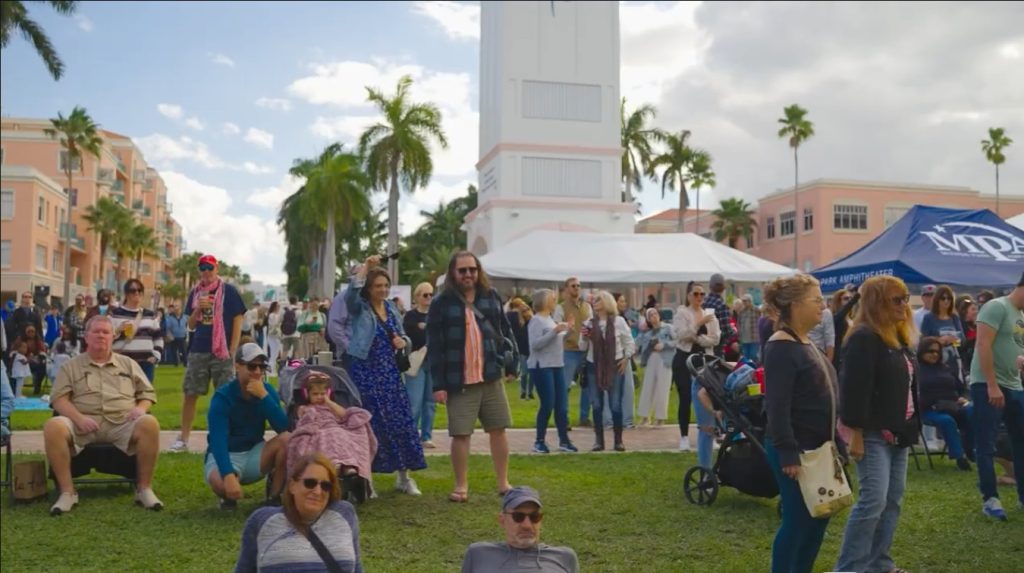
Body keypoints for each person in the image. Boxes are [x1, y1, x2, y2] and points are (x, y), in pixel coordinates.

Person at [835, 276, 919, 573]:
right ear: (876, 303)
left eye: (906, 298)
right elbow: (854, 391)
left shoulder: (897, 336)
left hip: (899, 431)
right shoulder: (864, 337)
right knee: (872, 503)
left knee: (892, 501)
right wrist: (855, 433)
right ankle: (848, 569)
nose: (904, 305)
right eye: (897, 299)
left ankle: (878, 563)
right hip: (871, 433)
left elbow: (908, 386)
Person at [43, 315, 163, 515]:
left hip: (122, 423)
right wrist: (78, 419)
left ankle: (144, 489)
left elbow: (148, 394)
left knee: (150, 423)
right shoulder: (71, 366)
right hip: (83, 424)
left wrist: (141, 408)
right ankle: (67, 493)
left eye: (106, 332)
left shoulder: (128, 364)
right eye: (96, 331)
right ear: (86, 337)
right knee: (53, 426)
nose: (101, 335)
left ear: (113, 337)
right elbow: (59, 400)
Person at [762, 274, 841, 573]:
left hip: (818, 447)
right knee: (798, 520)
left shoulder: (806, 342)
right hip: (796, 451)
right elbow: (777, 407)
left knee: (820, 516)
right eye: (816, 300)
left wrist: (837, 443)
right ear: (794, 305)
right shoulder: (781, 346)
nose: (823, 305)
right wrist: (787, 453)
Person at [428, 251, 515, 502]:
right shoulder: (441, 303)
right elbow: (435, 347)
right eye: (462, 270)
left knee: (499, 429)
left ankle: (503, 483)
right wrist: (439, 385)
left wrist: (509, 364)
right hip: (459, 380)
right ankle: (461, 486)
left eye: (472, 269)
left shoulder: (491, 296)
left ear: (479, 271)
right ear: (453, 273)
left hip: (490, 376)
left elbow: (504, 332)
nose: (468, 274)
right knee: (460, 434)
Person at [345, 255, 427, 495]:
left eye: (385, 285)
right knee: (371, 424)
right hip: (365, 370)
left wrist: (405, 341)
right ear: (369, 288)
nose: (382, 289)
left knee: (400, 421)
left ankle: (403, 477)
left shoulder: (391, 307)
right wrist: (366, 269)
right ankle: (366, 480)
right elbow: (351, 295)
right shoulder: (360, 307)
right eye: (377, 285)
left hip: (390, 371)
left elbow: (403, 335)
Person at [235, 453, 363, 573]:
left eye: (325, 486)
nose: (318, 492)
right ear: (292, 485)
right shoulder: (262, 520)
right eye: (310, 483)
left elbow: (357, 568)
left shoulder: (344, 514)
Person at [170, 254, 246, 453]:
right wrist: (197, 310)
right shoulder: (196, 293)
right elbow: (191, 324)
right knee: (190, 393)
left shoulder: (228, 291)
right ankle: (183, 438)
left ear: (216, 268)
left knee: (226, 395)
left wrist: (233, 348)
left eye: (209, 268)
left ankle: (225, 437)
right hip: (199, 349)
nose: (206, 272)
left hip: (221, 350)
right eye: (202, 268)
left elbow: (238, 319)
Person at [205, 343, 290, 509]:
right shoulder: (222, 397)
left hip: (254, 452)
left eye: (262, 367)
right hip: (227, 453)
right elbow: (218, 440)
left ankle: (274, 496)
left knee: (287, 440)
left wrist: (264, 398)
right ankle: (228, 496)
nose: (257, 372)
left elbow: (283, 428)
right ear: (237, 366)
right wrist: (228, 474)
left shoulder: (266, 391)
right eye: (251, 366)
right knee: (221, 484)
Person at [968, 272, 1024, 521]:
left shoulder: (1020, 316)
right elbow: (982, 345)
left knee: (1020, 442)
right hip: (988, 385)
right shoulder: (996, 307)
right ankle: (990, 498)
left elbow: (1014, 347)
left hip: (1014, 385)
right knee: (986, 444)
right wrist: (991, 384)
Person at [461, 486, 579, 573]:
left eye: (534, 517)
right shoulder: (478, 553)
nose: (527, 525)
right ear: (502, 520)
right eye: (518, 517)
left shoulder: (564, 556)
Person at [287, 373, 377, 484]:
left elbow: (344, 414)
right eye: (315, 394)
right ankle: (335, 464)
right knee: (325, 437)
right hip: (317, 430)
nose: (320, 397)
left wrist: (329, 402)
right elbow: (302, 420)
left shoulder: (330, 406)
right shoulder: (304, 407)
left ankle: (348, 465)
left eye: (323, 394)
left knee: (341, 435)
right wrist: (310, 415)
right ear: (306, 394)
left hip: (335, 427)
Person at [578, 291, 635, 452]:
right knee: (596, 405)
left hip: (615, 365)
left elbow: (629, 342)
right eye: (594, 300)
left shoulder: (619, 321)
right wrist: (583, 337)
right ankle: (599, 441)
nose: (594, 302)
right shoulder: (589, 322)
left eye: (598, 300)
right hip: (593, 365)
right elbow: (582, 347)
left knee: (615, 404)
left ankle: (618, 441)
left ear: (607, 302)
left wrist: (626, 358)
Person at [672, 282, 721, 455]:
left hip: (704, 360)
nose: (699, 297)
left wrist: (699, 339)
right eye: (696, 294)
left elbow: (715, 339)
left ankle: (711, 434)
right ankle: (684, 437)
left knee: (708, 397)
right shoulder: (682, 313)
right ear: (688, 295)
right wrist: (698, 324)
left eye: (702, 294)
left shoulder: (710, 314)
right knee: (685, 398)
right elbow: (681, 335)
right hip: (684, 360)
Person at [527, 289, 576, 454]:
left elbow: (557, 340)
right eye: (552, 299)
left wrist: (567, 330)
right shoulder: (536, 321)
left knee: (561, 405)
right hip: (542, 366)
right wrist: (555, 331)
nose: (555, 301)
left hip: (557, 365)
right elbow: (535, 345)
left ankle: (564, 440)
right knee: (547, 404)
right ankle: (539, 441)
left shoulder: (550, 319)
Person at [917, 336, 973, 471]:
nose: (934, 354)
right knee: (947, 421)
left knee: (971, 411)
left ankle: (971, 450)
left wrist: (963, 398)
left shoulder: (946, 368)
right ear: (922, 351)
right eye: (930, 351)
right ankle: (960, 458)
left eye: (937, 351)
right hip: (929, 409)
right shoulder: (916, 370)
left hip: (952, 406)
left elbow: (962, 389)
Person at [554, 277, 593, 427]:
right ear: (566, 289)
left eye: (578, 286)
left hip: (585, 351)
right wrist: (566, 329)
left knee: (587, 385)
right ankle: (563, 418)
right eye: (573, 286)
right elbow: (557, 328)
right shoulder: (561, 308)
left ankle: (584, 417)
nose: (576, 288)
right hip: (568, 351)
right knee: (565, 386)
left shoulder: (587, 307)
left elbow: (590, 325)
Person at [110, 279, 164, 382]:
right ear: (126, 294)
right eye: (133, 290)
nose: (137, 293)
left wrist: (156, 356)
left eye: (139, 290)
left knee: (145, 396)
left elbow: (158, 338)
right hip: (122, 362)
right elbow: (106, 338)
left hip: (145, 364)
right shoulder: (115, 314)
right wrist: (118, 330)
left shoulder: (149, 315)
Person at [403, 282, 436, 448]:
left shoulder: (437, 315)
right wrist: (422, 330)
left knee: (430, 401)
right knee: (414, 401)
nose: (429, 298)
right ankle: (411, 434)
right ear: (417, 297)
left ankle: (427, 436)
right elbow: (409, 337)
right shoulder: (410, 316)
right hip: (416, 361)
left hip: (434, 361)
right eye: (425, 295)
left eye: (431, 294)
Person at [636, 307, 675, 427]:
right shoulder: (647, 332)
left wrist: (664, 345)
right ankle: (645, 416)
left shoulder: (668, 328)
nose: (653, 316)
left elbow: (678, 341)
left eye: (655, 313)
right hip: (651, 359)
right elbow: (637, 343)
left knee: (662, 389)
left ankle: (660, 418)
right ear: (647, 319)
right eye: (650, 315)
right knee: (647, 387)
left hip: (665, 359)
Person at [920, 285, 966, 371]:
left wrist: (954, 341)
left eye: (949, 298)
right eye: (943, 298)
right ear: (937, 300)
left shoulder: (954, 318)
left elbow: (962, 340)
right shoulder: (929, 318)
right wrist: (938, 340)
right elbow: (923, 341)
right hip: (935, 362)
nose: (946, 301)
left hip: (954, 361)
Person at [611, 292, 636, 428]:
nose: (624, 304)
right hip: (610, 360)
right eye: (621, 301)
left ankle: (628, 420)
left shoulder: (622, 319)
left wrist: (627, 356)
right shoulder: (612, 319)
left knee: (627, 389)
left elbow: (628, 340)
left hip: (623, 359)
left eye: (624, 301)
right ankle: (609, 420)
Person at [507, 298, 534, 400]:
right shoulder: (521, 322)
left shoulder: (532, 322)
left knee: (531, 373)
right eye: (523, 311)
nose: (525, 312)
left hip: (531, 349)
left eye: (526, 310)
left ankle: (530, 392)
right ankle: (523, 392)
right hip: (523, 349)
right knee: (525, 372)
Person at [704, 273, 736, 354]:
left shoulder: (703, 301)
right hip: (717, 346)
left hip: (703, 343)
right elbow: (725, 330)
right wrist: (734, 331)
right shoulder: (721, 304)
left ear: (710, 286)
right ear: (723, 288)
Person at [830, 288, 860, 372]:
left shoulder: (850, 318)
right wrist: (856, 296)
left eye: (850, 298)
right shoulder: (835, 317)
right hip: (838, 356)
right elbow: (843, 312)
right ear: (838, 301)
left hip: (849, 353)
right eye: (846, 298)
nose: (849, 300)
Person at [14, 325, 47, 395]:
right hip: (22, 361)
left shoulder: (38, 340)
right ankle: (17, 392)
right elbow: (14, 350)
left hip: (35, 361)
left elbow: (43, 351)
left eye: (32, 331)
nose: (31, 333)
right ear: (26, 332)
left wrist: (38, 357)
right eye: (29, 331)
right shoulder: (20, 339)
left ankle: (37, 387)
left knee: (41, 368)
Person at [956, 297, 978, 381]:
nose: (975, 312)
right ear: (965, 311)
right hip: (964, 364)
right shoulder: (959, 325)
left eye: (976, 309)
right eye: (973, 309)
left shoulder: (977, 326)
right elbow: (958, 345)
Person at [735, 294, 760, 362]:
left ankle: (755, 371)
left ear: (750, 301)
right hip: (744, 338)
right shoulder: (741, 311)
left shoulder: (757, 310)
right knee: (745, 357)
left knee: (753, 355)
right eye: (743, 301)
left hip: (754, 338)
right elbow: (738, 323)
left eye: (745, 301)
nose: (744, 302)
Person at [164, 302, 189, 367]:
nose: (176, 308)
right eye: (175, 307)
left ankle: (185, 364)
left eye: (177, 306)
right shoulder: (169, 317)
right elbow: (168, 328)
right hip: (174, 337)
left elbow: (187, 325)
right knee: (174, 351)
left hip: (182, 337)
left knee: (184, 351)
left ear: (180, 308)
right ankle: (176, 364)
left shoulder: (185, 317)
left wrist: (186, 333)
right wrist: (170, 336)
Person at [280, 295, 302, 362]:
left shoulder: (283, 310)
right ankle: (295, 367)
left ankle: (282, 366)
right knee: (296, 351)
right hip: (296, 334)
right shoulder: (298, 311)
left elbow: (281, 320)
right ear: (296, 301)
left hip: (285, 334)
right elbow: (300, 322)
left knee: (285, 351)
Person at [265, 301, 283, 376]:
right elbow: (273, 324)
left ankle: (272, 369)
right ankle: (270, 369)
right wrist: (280, 320)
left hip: (277, 335)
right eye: (277, 306)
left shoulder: (276, 315)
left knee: (276, 353)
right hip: (273, 336)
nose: (279, 307)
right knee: (273, 353)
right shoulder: (272, 315)